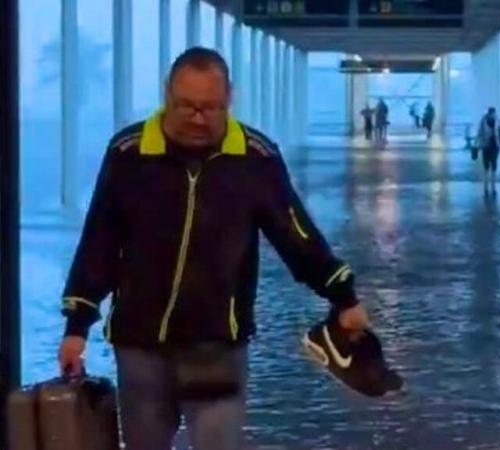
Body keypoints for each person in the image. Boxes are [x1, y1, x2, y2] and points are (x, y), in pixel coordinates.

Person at [57, 47, 369, 450]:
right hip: (140, 345)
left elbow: (296, 235)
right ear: (167, 95)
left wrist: (343, 296)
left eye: (210, 107)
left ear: (229, 100)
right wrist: (76, 327)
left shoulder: (255, 158)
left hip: (218, 344)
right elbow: (98, 240)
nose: (197, 118)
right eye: (185, 106)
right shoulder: (128, 153)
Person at [477, 107, 500, 190]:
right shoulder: (483, 120)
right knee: (486, 162)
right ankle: (486, 180)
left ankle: (493, 180)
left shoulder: (497, 120)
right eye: (491, 114)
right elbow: (479, 132)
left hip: (495, 144)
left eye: (493, 114)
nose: (492, 115)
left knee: (494, 161)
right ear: (488, 113)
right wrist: (477, 143)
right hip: (485, 145)